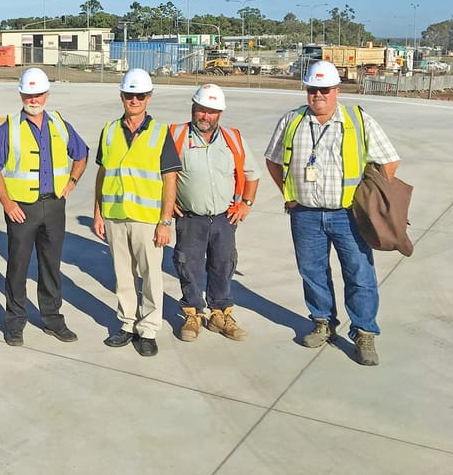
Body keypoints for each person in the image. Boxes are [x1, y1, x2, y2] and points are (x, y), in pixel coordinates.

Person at [265, 61, 401, 366]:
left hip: (348, 215)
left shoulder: (358, 120)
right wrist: (289, 195)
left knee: (359, 274)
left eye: (324, 90)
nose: (318, 95)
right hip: (305, 214)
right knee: (312, 272)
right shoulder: (292, 121)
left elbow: (389, 161)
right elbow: (273, 160)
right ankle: (322, 322)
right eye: (312, 90)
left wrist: (368, 199)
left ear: (336, 90)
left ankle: (364, 332)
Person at [0, 67, 88, 347]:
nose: (34, 99)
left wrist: (71, 182)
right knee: (18, 267)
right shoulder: (8, 128)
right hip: (22, 210)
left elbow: (81, 154)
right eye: (29, 94)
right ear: (21, 95)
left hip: (54, 206)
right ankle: (15, 322)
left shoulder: (60, 124)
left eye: (39, 94)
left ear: (47, 95)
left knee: (51, 266)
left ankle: (53, 319)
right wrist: (7, 203)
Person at [92, 69, 181, 357]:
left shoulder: (160, 133)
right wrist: (98, 212)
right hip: (115, 216)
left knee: (151, 276)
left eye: (140, 95)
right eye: (130, 95)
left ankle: (149, 329)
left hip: (147, 219)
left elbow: (170, 179)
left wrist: (165, 221)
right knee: (123, 274)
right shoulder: (109, 131)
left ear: (149, 97)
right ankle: (128, 323)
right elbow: (102, 173)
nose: (134, 100)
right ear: (121, 96)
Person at [169, 83, 261, 343]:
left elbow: (252, 173)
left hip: (224, 218)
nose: (205, 116)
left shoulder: (233, 139)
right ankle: (193, 314)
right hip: (190, 217)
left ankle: (220, 314)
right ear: (193, 107)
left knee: (223, 264)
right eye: (201, 109)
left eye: (211, 111)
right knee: (188, 265)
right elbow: (159, 173)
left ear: (220, 113)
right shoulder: (175, 135)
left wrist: (246, 204)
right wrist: (167, 202)